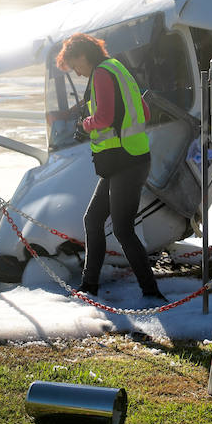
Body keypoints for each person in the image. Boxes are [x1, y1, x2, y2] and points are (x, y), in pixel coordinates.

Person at [56, 33, 166, 302]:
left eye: (75, 66)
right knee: (93, 220)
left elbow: (104, 118)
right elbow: (145, 113)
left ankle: (151, 293)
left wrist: (85, 124)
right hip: (127, 160)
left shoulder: (102, 74)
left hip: (125, 161)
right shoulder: (118, 68)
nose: (78, 74)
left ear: (83, 56)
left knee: (123, 229)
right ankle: (89, 287)